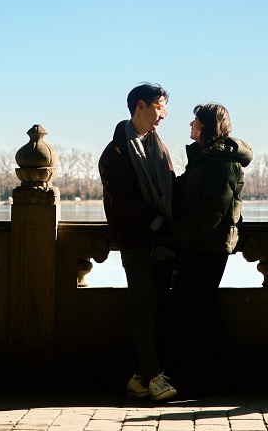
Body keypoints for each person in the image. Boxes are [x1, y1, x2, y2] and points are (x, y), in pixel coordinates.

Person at [160, 102, 251, 396]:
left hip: (208, 247)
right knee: (196, 310)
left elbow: (212, 211)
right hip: (197, 244)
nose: (190, 126)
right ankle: (201, 379)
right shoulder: (205, 158)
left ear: (207, 126)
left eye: (195, 121)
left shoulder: (222, 162)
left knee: (200, 312)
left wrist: (174, 234)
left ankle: (207, 381)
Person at [98, 83, 179, 401]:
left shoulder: (159, 147)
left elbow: (171, 186)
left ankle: (137, 376)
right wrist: (157, 223)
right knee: (144, 306)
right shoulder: (115, 152)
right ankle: (155, 377)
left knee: (158, 308)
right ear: (141, 106)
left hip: (165, 242)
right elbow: (122, 200)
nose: (164, 115)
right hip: (136, 241)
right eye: (160, 107)